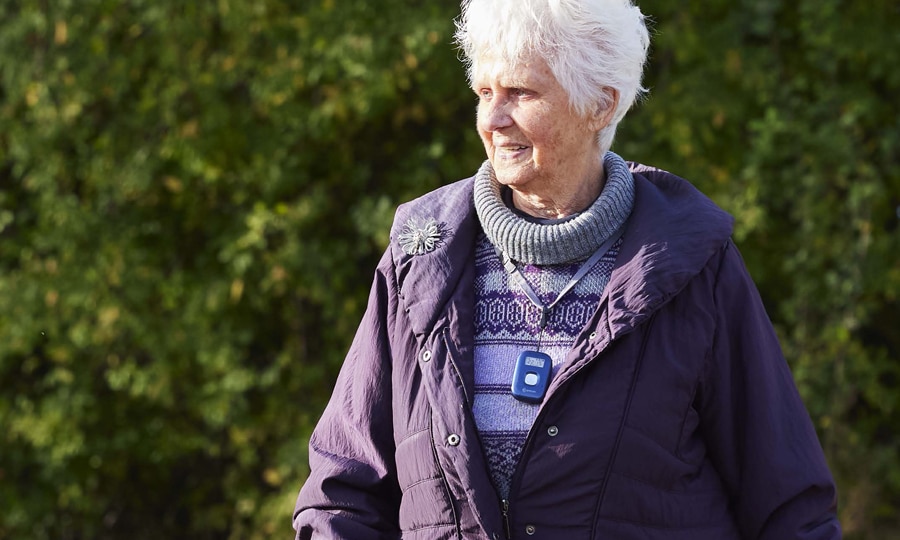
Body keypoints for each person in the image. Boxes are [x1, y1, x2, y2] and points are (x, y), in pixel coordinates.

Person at [293, 0, 842, 538]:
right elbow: (343, 494)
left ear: (601, 106)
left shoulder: (693, 264)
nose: (492, 118)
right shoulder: (422, 262)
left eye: (521, 93)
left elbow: (790, 507)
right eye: (485, 92)